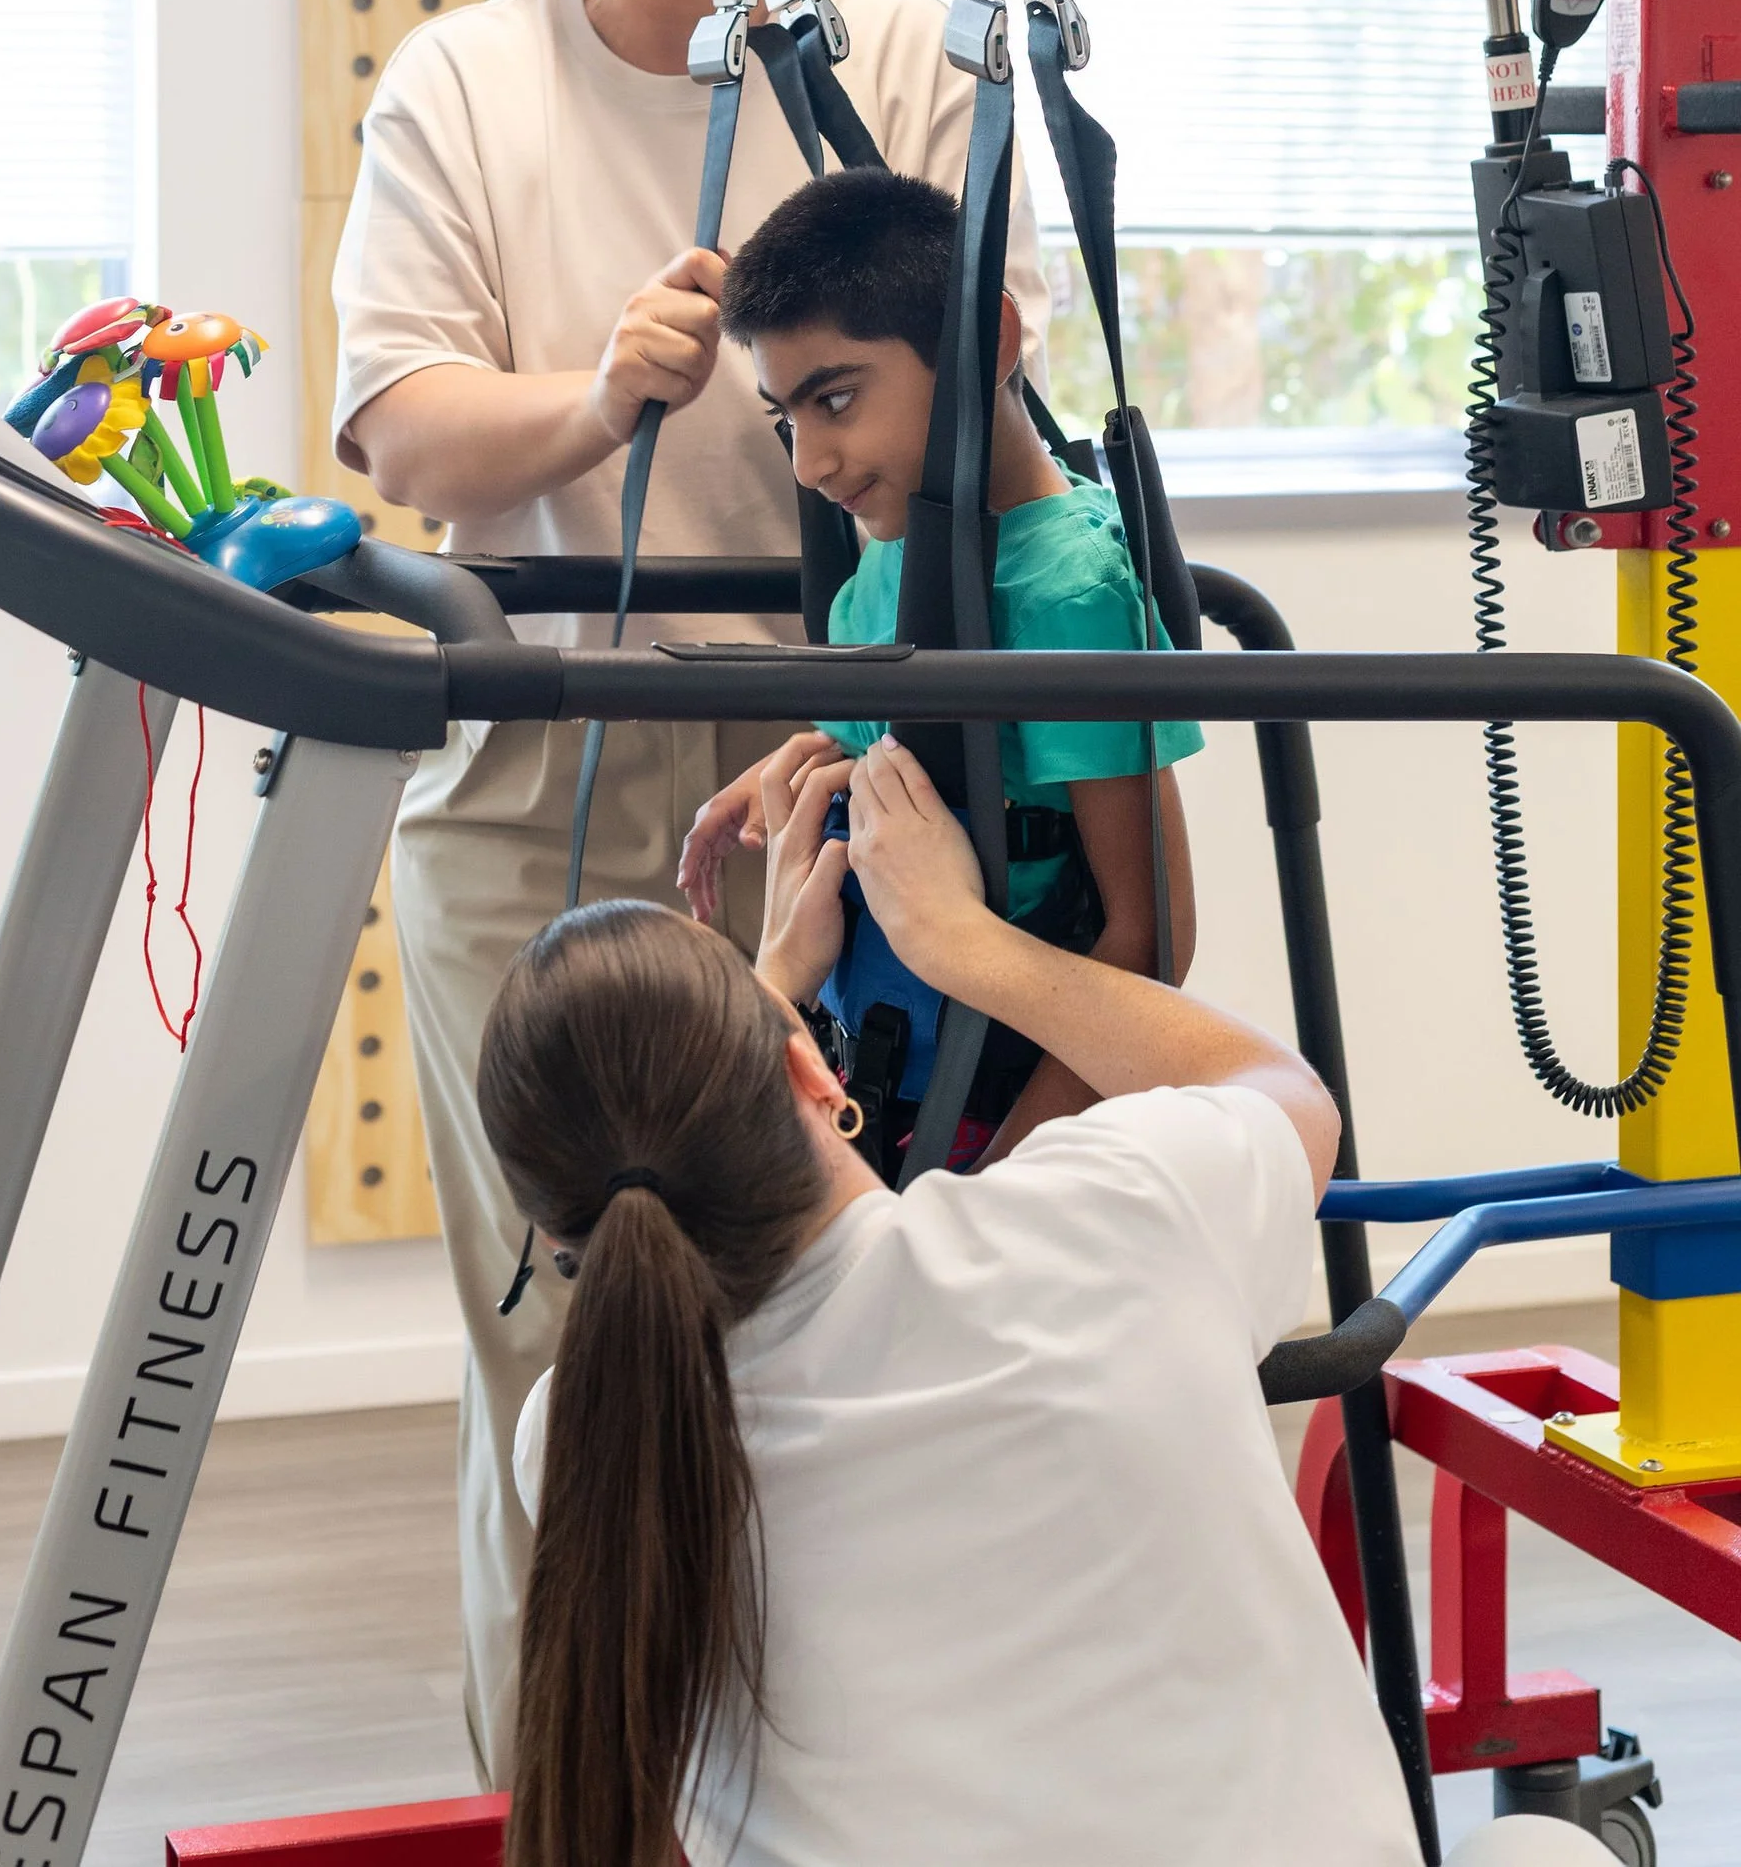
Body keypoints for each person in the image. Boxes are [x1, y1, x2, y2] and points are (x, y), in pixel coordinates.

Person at [330, 0, 1048, 1780]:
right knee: (563, 1329)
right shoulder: (465, 78)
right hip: (545, 772)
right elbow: (397, 429)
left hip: (841, 757)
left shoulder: (895, 53)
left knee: (845, 1300)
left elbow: (989, 357)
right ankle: (572, 1799)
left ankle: (831, 1784)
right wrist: (596, 398)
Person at [482, 741, 1419, 1867]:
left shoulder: (579, 1440)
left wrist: (773, 988)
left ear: (551, 1234)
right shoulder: (1106, 1217)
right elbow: (1277, 1089)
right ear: (811, 1076)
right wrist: (961, 943)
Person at [681, 164, 1199, 1164]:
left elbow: (1148, 941)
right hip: (878, 1091)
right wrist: (785, 762)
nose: (808, 463)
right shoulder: (889, 551)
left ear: (986, 344)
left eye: (834, 399)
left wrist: (998, 1186)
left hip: (1000, 1117)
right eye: (784, 418)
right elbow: (921, 741)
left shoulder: (1066, 595)